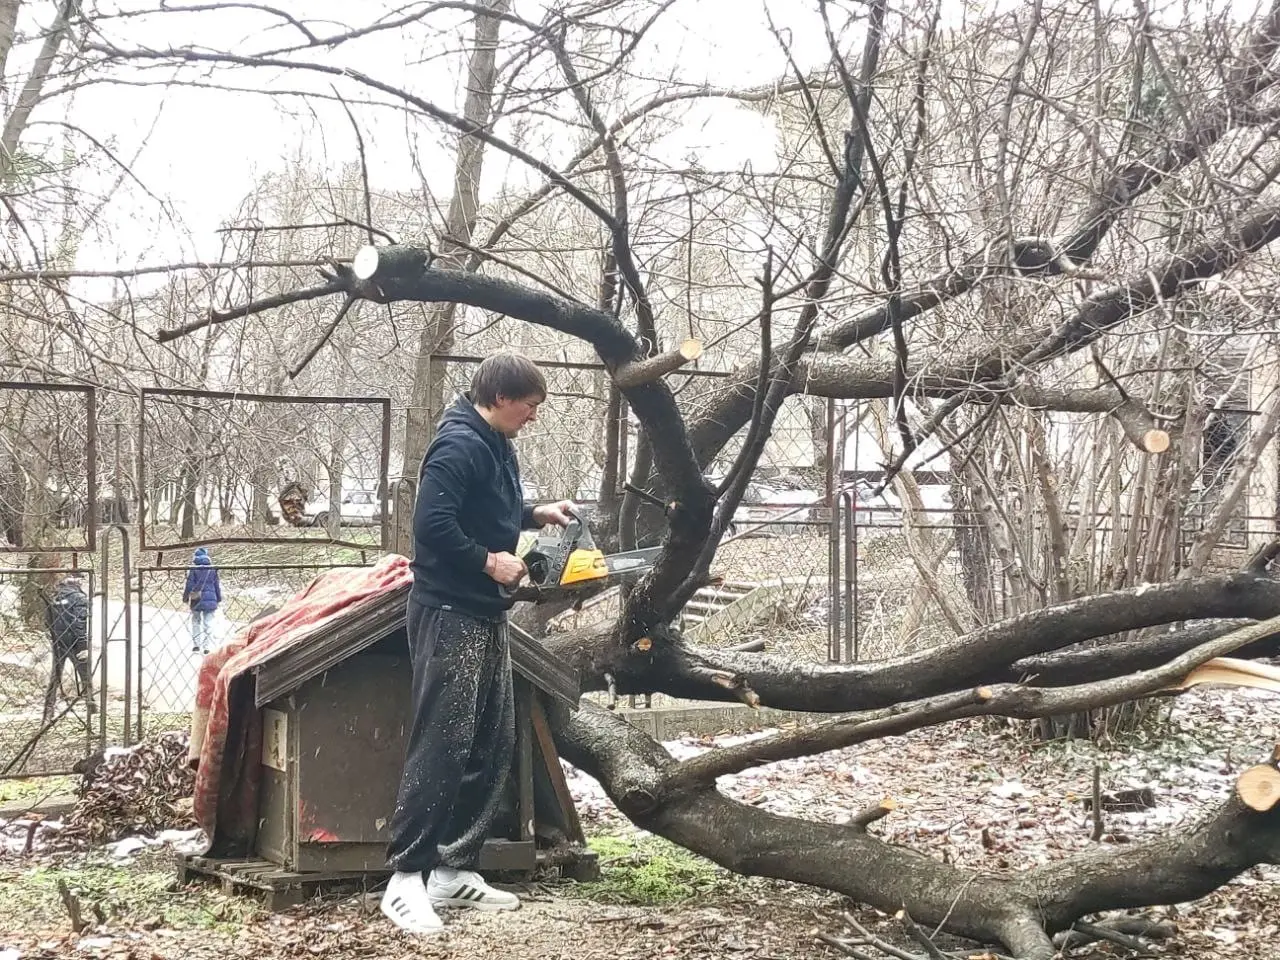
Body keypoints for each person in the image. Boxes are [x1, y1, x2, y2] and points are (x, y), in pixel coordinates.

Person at [381, 352, 573, 935]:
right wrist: (490, 562)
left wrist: (534, 513)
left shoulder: (495, 440)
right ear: (501, 397)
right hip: (449, 611)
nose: (534, 416)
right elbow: (432, 526)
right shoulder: (458, 444)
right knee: (442, 742)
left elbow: (486, 508)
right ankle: (405, 878)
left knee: (491, 736)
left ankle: (452, 868)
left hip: (484, 613)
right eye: (530, 406)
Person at [43, 574, 95, 722]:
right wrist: (83, 645)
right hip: (75, 642)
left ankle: (49, 709)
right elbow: (79, 623)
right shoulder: (80, 598)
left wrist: (55, 636)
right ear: (77, 583)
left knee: (55, 676)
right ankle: (91, 705)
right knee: (85, 674)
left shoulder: (55, 597)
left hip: (59, 642)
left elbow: (47, 620)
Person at [182, 547, 222, 654]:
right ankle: (206, 647)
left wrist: (185, 598)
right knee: (208, 623)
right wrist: (218, 598)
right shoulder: (212, 569)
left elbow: (189, 585)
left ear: (196, 556)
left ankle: (196, 645)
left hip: (196, 599)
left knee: (196, 621)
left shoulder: (193, 569)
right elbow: (216, 585)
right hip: (210, 599)